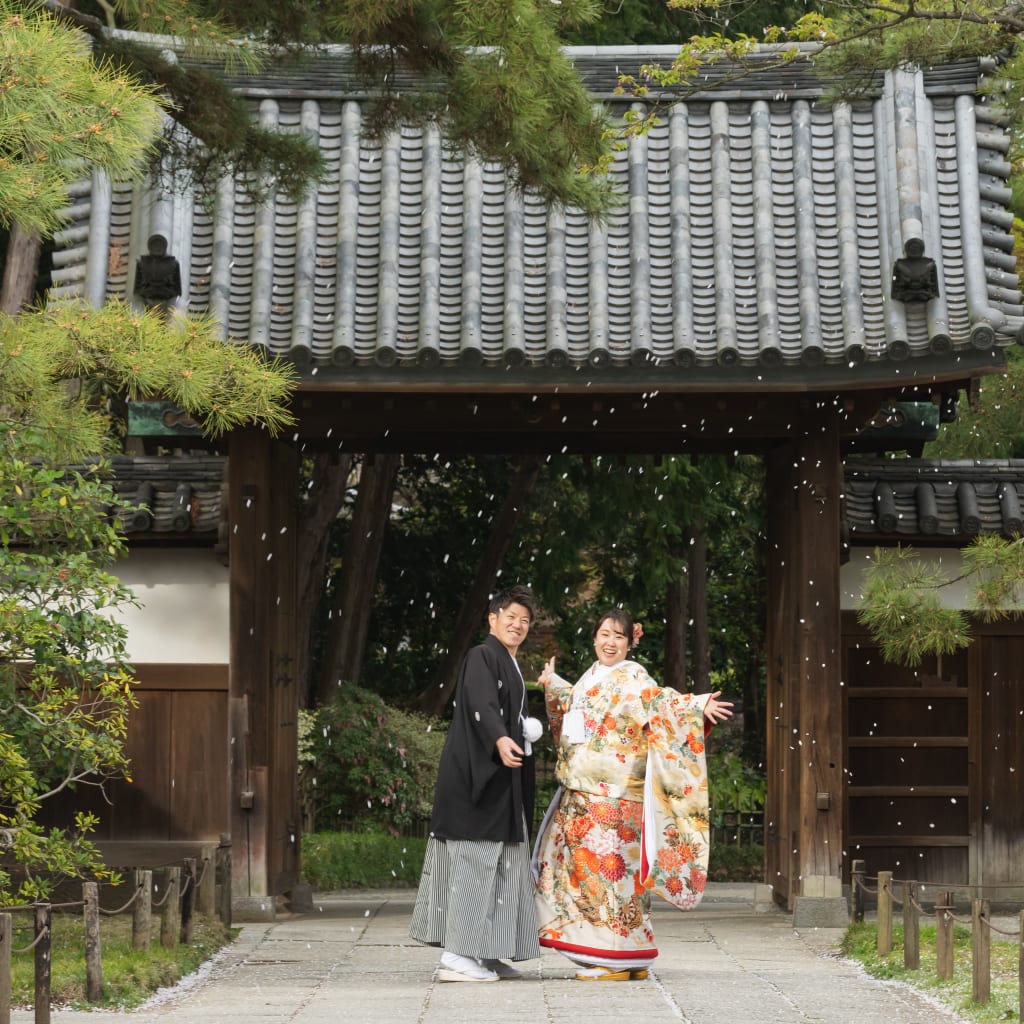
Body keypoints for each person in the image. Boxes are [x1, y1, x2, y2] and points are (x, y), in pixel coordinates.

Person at [533, 608, 733, 981]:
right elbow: (578, 705)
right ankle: (631, 954)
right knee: (599, 872)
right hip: (584, 794)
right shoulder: (593, 676)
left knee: (606, 874)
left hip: (613, 796)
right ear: (594, 637)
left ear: (630, 643)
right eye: (605, 634)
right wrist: (553, 683)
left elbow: (659, 702)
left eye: (618, 637)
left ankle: (611, 958)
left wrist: (695, 704)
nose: (610, 643)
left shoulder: (633, 677)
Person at [409, 584, 544, 983]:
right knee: (474, 863)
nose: (517, 625)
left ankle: (486, 950)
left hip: (500, 778)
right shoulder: (482, 656)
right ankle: (457, 954)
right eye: (510, 617)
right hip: (476, 779)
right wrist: (501, 737)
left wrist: (516, 733)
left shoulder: (508, 662)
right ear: (492, 619)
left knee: (503, 864)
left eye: (524, 621)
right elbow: (481, 706)